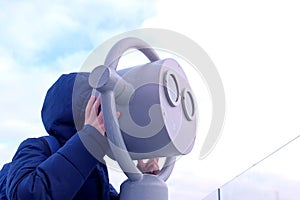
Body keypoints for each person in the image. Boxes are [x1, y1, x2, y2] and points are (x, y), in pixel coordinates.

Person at [2, 72, 159, 199]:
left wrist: (143, 182)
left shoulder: (95, 166)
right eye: (99, 106)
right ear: (80, 110)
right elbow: (27, 194)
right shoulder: (37, 147)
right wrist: (88, 140)